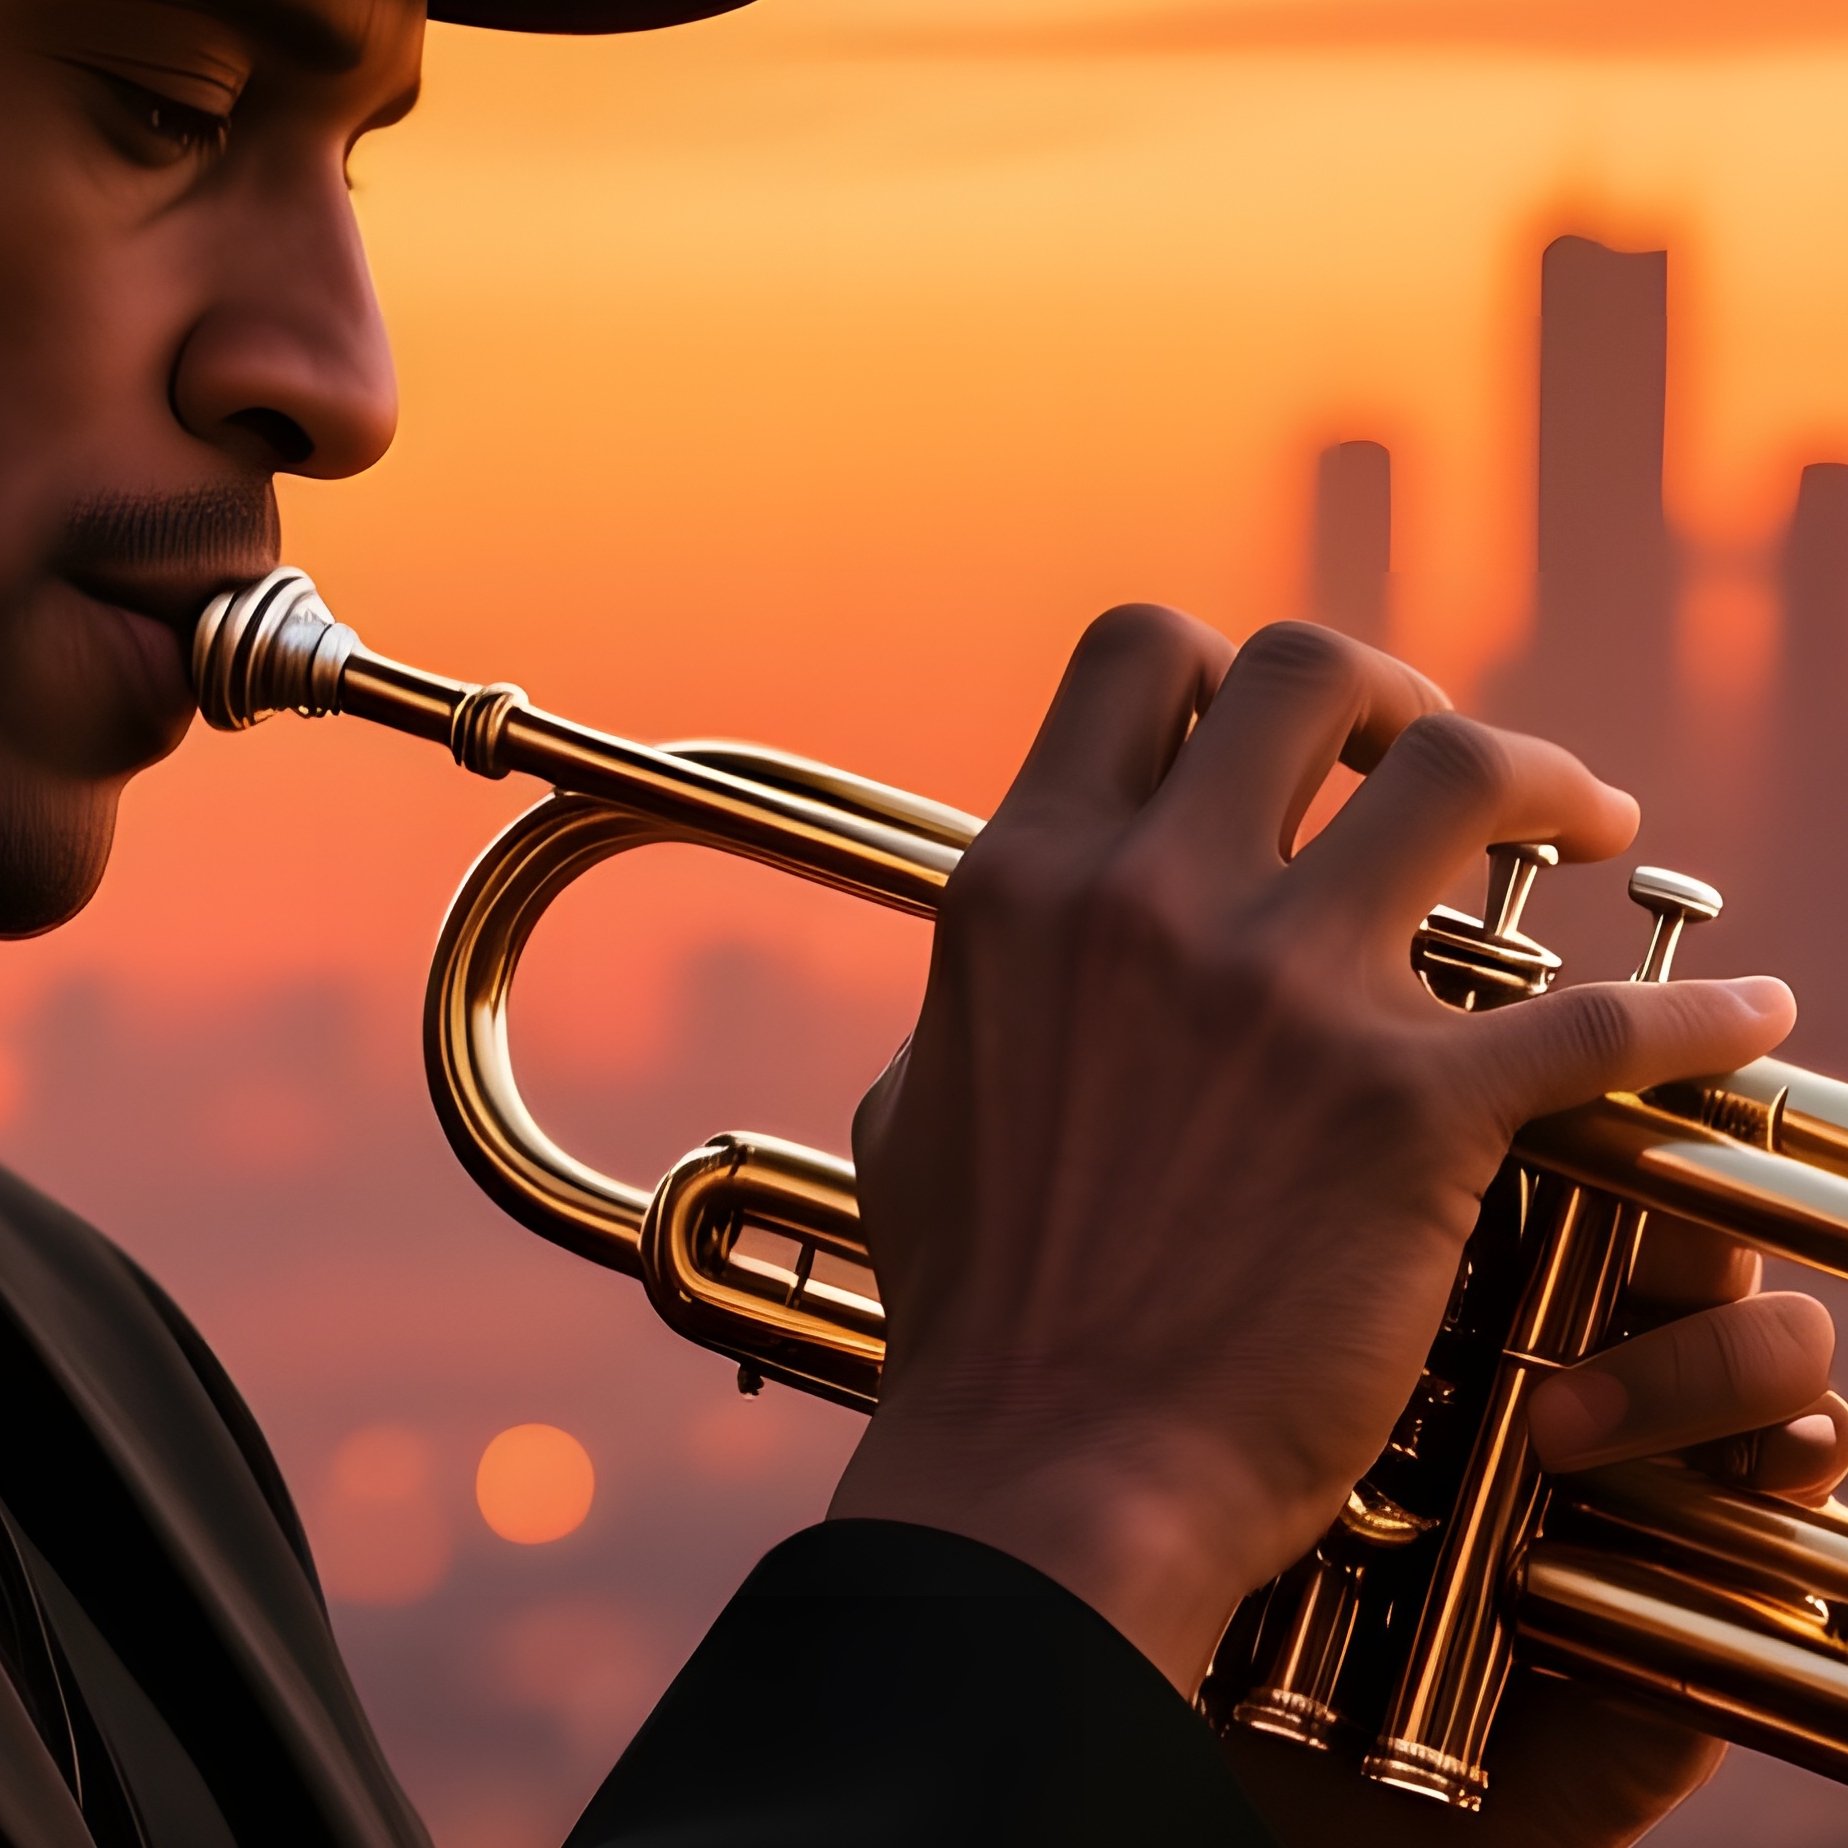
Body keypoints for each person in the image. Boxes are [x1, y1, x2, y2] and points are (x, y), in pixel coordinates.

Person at [0, 2, 1841, 1843]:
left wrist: (1170, 1770)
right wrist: (1082, 1476)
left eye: (352, 160)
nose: (344, 380)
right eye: (167, 112)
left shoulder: (100, 1378)